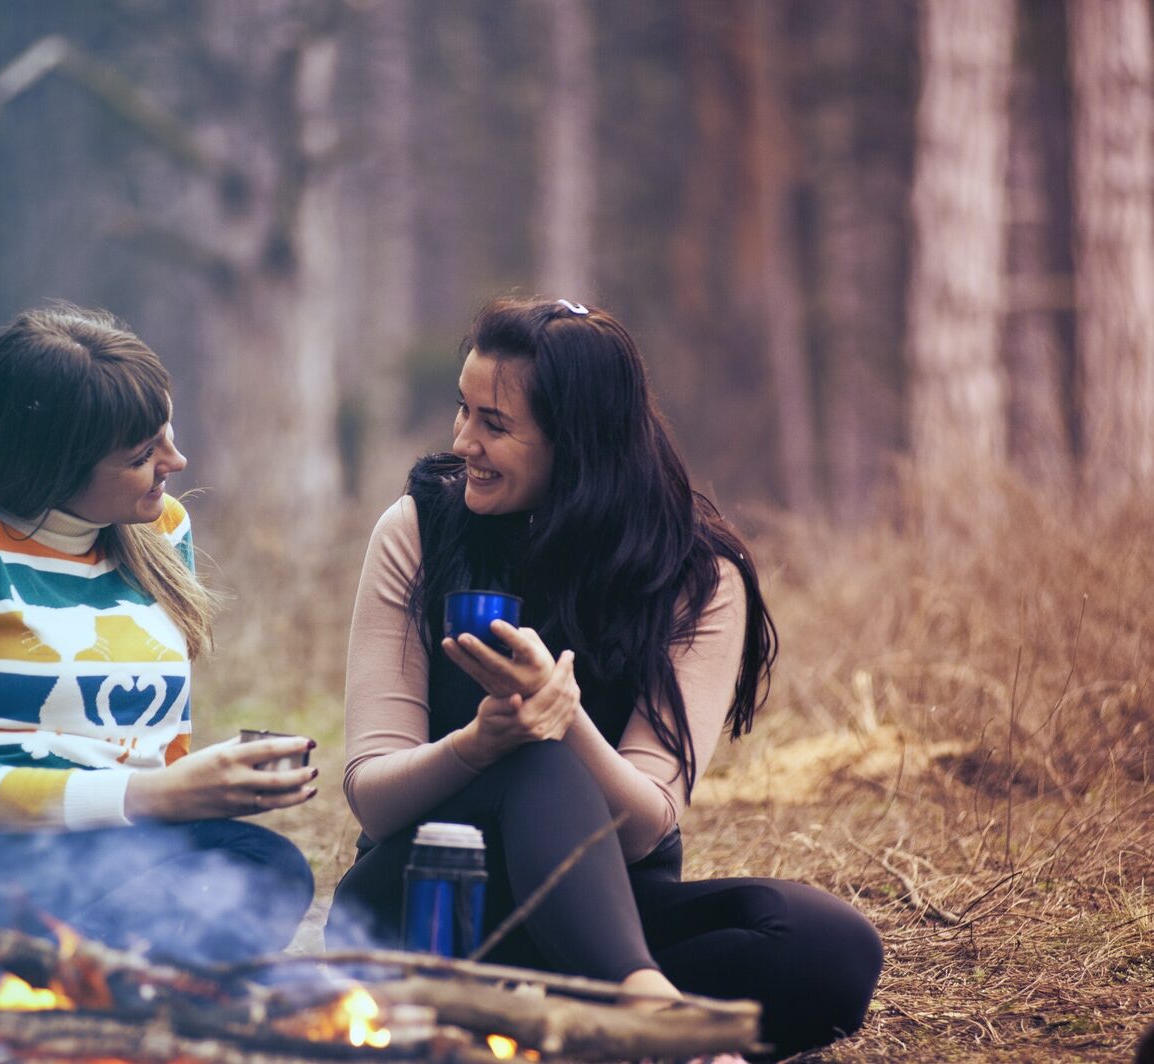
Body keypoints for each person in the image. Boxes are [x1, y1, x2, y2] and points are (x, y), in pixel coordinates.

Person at [325, 297, 882, 1059]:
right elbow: (376, 797)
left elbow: (650, 820)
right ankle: (651, 1020)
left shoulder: (698, 576)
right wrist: (482, 744)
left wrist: (566, 718)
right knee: (532, 760)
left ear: (577, 441)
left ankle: (574, 1022)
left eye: (495, 424)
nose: (464, 441)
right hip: (424, 907)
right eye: (464, 410)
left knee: (830, 946)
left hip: (602, 911)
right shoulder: (418, 532)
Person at [0, 304, 317, 1049]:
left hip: (72, 877)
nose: (174, 463)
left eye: (168, 434)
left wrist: (203, 791)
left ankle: (50, 1022)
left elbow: (156, 751)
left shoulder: (159, 531)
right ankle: (66, 1015)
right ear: (56, 463)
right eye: (144, 452)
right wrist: (163, 795)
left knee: (262, 864)